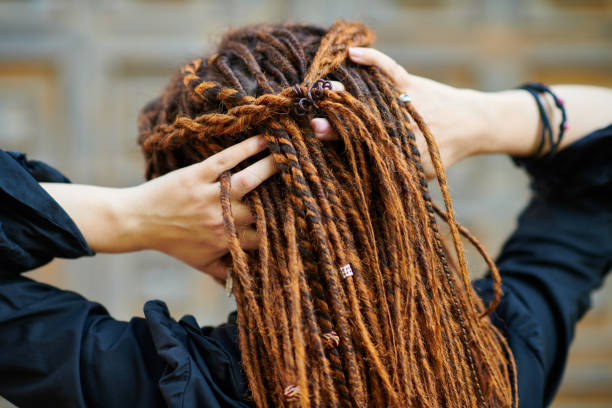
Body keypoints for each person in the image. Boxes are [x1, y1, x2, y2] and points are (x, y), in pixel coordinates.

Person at [0, 20, 610, 408]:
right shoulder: (500, 363)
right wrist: (484, 118)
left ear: (214, 238)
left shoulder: (161, 387)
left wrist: (129, 218)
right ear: (400, 175)